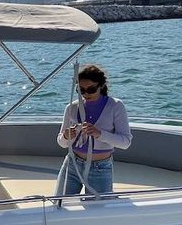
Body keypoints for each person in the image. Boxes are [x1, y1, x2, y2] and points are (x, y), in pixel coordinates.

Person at [55, 64, 132, 196]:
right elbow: (62, 143)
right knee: (60, 205)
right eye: (81, 90)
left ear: (101, 86)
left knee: (98, 211)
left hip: (100, 167)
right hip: (72, 164)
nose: (86, 94)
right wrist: (66, 137)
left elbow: (125, 142)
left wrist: (100, 134)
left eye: (91, 89)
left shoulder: (115, 106)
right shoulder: (71, 108)